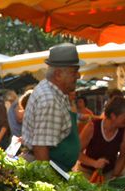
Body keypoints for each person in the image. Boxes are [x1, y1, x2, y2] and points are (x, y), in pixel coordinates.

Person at [22, 43, 85, 172]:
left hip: (57, 169)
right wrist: (48, 184)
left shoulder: (55, 93)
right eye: (74, 72)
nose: (78, 76)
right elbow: (41, 147)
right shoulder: (49, 99)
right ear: (58, 74)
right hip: (50, 170)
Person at [75, 97, 125, 180]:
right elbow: (76, 152)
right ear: (113, 116)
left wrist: (115, 176)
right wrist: (94, 163)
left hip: (109, 173)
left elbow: (122, 157)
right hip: (87, 172)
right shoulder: (92, 127)